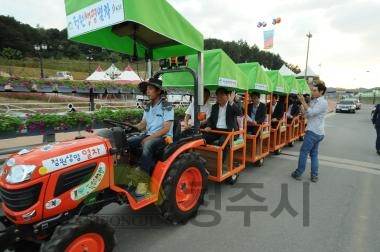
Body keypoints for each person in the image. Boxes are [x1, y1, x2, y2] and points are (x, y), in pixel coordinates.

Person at [127, 78, 174, 196]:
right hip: (149, 134)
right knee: (126, 141)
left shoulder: (167, 106)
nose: (148, 91)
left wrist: (148, 138)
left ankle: (143, 183)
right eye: (147, 89)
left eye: (151, 89)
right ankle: (129, 173)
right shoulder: (148, 106)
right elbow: (143, 124)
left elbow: (166, 129)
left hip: (164, 137)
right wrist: (130, 127)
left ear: (158, 91)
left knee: (147, 145)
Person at [291, 84, 328, 182]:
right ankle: (314, 175)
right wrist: (301, 107)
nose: (313, 92)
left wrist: (303, 101)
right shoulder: (314, 101)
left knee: (304, 152)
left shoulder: (322, 102)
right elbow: (307, 115)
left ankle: (298, 173)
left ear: (321, 92)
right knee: (314, 154)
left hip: (313, 132)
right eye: (312, 90)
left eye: (315, 90)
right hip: (317, 132)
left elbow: (311, 112)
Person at [203, 87, 242, 161]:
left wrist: (231, 102)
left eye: (221, 95)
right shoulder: (215, 107)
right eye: (217, 96)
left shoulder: (232, 105)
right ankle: (207, 160)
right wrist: (208, 126)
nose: (219, 98)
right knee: (202, 138)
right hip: (216, 130)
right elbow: (211, 118)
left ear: (227, 96)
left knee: (222, 142)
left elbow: (239, 113)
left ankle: (221, 163)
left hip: (229, 131)